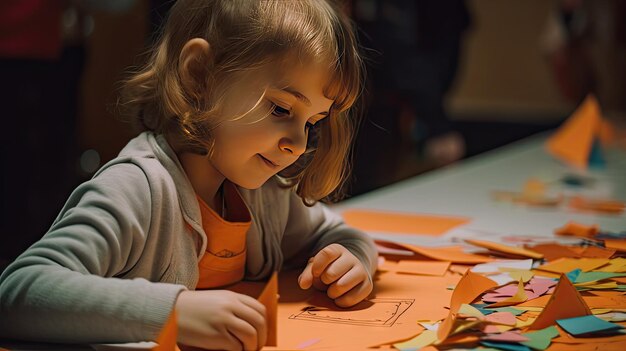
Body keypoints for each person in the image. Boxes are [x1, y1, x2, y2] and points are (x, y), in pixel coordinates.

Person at [0, 1, 377, 350]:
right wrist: (175, 312)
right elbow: (16, 292)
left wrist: (351, 258)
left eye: (312, 122)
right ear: (200, 75)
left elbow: (337, 233)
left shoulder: (264, 193)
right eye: (280, 109)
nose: (297, 143)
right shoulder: (136, 189)